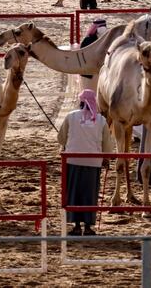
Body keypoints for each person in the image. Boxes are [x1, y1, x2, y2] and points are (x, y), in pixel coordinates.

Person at [57, 89, 113, 236]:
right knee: (90, 194)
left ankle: (76, 226)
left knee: (74, 193)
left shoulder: (71, 116)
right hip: (93, 163)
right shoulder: (101, 120)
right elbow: (107, 144)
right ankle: (88, 227)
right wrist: (105, 158)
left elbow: (61, 138)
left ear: (81, 102)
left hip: (72, 161)